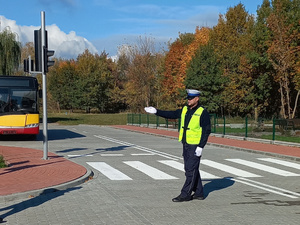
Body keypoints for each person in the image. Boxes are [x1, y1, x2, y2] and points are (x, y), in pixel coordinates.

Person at [144, 89, 211, 202]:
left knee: (190, 170)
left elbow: (206, 130)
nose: (188, 100)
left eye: (191, 98)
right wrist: (156, 111)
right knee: (191, 168)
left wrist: (201, 146)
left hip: (195, 145)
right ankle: (199, 192)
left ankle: (185, 194)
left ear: (197, 98)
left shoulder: (202, 112)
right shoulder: (185, 109)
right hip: (186, 144)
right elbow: (172, 114)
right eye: (188, 98)